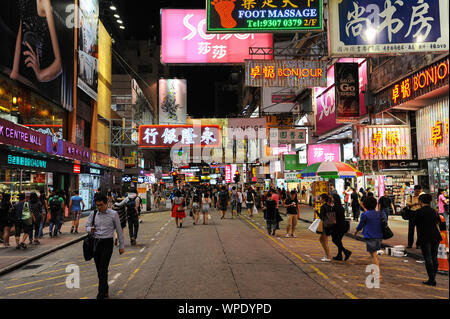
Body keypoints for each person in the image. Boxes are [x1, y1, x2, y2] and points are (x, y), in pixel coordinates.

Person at [86, 193, 124, 299]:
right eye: (97, 205)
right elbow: (87, 226)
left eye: (101, 205)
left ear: (106, 203)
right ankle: (105, 289)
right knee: (99, 269)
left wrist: (121, 246)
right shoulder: (93, 214)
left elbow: (119, 230)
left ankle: (101, 293)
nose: (99, 207)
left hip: (107, 243)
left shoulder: (113, 214)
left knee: (103, 268)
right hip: (96, 243)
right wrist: (90, 229)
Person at [412, 194, 443, 286]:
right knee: (434, 256)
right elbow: (439, 222)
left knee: (428, 257)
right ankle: (433, 277)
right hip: (436, 236)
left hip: (425, 236)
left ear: (421, 201)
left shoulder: (419, 211)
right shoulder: (434, 211)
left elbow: (414, 222)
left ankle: (432, 279)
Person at [354, 196, 386, 282]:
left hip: (370, 236)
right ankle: (374, 271)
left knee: (374, 256)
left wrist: (355, 232)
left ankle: (377, 274)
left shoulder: (364, 214)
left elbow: (360, 225)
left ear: (365, 205)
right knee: (373, 255)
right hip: (379, 235)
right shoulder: (378, 213)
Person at [331, 194, 352, 261]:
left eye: (332, 198)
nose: (331, 199)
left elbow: (333, 218)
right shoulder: (341, 207)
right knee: (339, 241)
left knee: (335, 240)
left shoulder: (334, 208)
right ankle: (339, 255)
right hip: (342, 226)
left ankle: (346, 252)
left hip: (337, 226)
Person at [318, 194, 334, 262]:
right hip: (329, 225)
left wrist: (316, 211)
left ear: (324, 199)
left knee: (323, 240)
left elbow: (321, 217)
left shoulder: (323, 207)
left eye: (320, 198)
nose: (320, 200)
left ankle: (328, 256)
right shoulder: (330, 206)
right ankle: (326, 255)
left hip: (325, 225)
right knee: (324, 240)